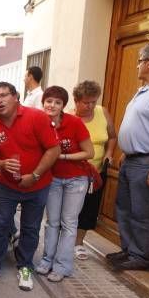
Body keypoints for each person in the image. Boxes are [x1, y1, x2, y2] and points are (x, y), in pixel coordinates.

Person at [0, 82, 60, 291]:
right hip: (7, 186)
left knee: (30, 227)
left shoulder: (36, 117)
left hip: (38, 185)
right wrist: (1, 164)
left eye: (3, 95)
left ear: (16, 96)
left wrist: (34, 175)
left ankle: (25, 266)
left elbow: (53, 150)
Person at [35, 86, 94, 282]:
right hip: (52, 179)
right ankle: (47, 260)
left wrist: (62, 156)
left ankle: (62, 266)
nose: (52, 105)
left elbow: (89, 153)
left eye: (57, 102)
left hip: (76, 179)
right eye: (49, 101)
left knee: (69, 223)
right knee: (52, 222)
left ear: (63, 106)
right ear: (43, 102)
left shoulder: (74, 123)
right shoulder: (39, 122)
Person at [108, 44, 149, 271]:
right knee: (124, 207)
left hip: (147, 162)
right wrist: (127, 150)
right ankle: (128, 250)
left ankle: (142, 256)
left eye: (139, 61)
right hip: (132, 159)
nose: (137, 65)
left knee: (141, 211)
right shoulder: (143, 90)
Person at [72, 80, 116, 260]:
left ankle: (78, 243)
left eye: (93, 101)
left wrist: (109, 153)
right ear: (76, 101)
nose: (90, 106)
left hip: (96, 172)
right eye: (86, 102)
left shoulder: (103, 112)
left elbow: (112, 137)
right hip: (75, 172)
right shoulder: (69, 117)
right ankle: (65, 240)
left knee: (90, 208)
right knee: (72, 209)